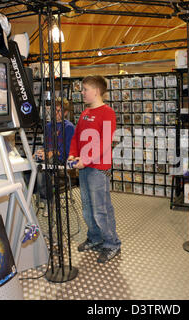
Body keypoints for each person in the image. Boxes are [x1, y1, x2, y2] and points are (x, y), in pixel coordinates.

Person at [68, 75, 121, 264]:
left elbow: (106, 143)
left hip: (98, 169)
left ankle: (112, 243)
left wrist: (87, 159)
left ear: (96, 91)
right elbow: (76, 137)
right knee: (87, 207)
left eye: (85, 89)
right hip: (84, 167)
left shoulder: (107, 113)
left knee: (101, 208)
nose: (82, 92)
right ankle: (95, 237)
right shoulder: (84, 113)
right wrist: (73, 155)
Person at [35, 97, 75, 217]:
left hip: (62, 158)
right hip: (49, 156)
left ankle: (48, 201)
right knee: (32, 163)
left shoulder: (68, 127)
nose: (57, 113)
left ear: (66, 112)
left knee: (44, 167)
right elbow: (46, 145)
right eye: (55, 110)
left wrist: (53, 152)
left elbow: (67, 150)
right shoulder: (48, 126)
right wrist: (40, 152)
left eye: (60, 111)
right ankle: (39, 196)